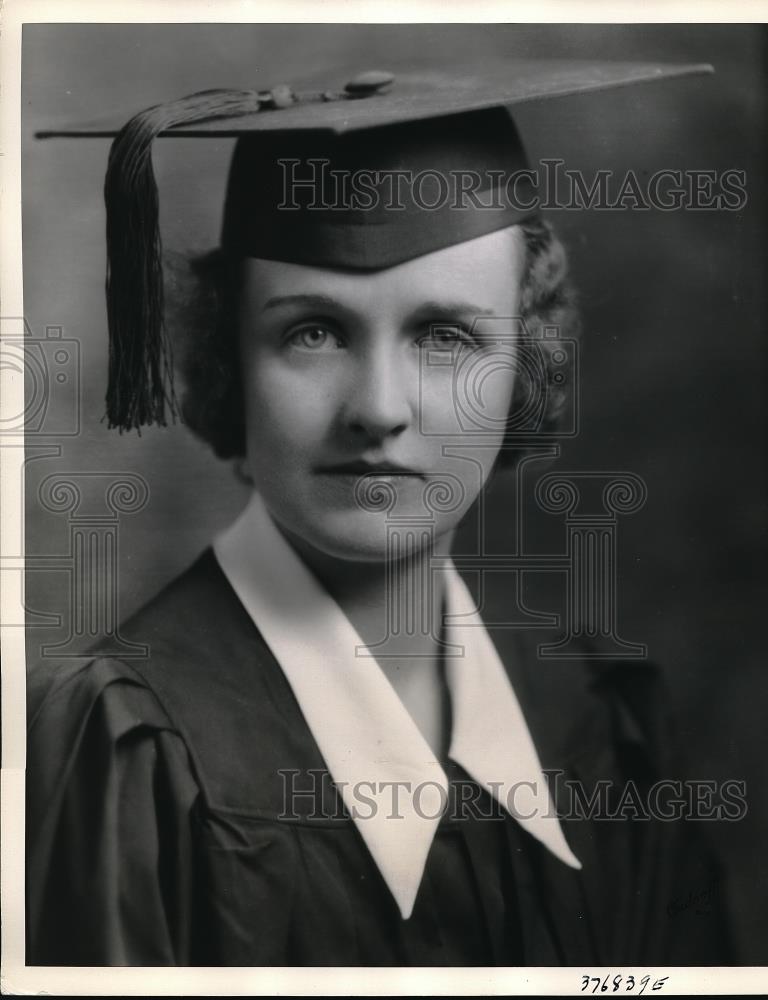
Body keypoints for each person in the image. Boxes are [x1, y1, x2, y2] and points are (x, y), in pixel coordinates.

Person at [26, 60, 732, 966]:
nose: (378, 408)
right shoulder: (123, 756)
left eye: (446, 337)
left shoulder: (598, 714)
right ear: (228, 362)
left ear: (528, 364)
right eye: (310, 332)